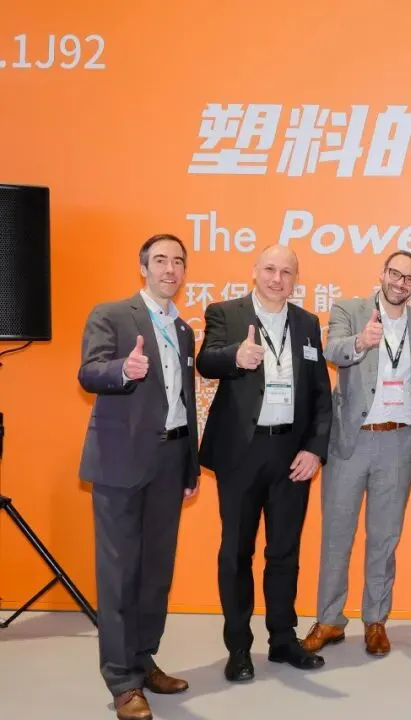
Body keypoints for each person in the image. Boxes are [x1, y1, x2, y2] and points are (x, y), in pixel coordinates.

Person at [196, 244, 332, 681]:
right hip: (241, 452)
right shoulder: (226, 313)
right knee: (237, 552)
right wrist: (234, 357)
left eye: (286, 272)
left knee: (285, 552)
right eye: (270, 269)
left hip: (292, 454)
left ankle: (283, 639)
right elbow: (206, 361)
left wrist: (314, 448)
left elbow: (320, 394)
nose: (277, 279)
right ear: (255, 271)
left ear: (296, 279)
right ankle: (238, 647)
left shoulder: (307, 323)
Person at [77, 233, 199, 720]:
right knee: (119, 575)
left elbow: (185, 401)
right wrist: (123, 370)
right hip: (121, 463)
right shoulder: (111, 314)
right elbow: (89, 372)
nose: (170, 269)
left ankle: (144, 660)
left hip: (170, 461)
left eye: (178, 262)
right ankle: (122, 681)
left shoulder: (184, 329)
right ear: (143, 267)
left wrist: (190, 462)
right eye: (161, 260)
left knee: (156, 573)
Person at [302, 250, 411, 657]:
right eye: (395, 274)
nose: (400, 283)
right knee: (337, 536)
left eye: (409, 279)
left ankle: (376, 620)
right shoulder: (350, 309)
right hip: (350, 440)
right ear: (382, 273)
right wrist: (361, 341)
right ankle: (329, 619)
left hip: (398, 442)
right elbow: (332, 350)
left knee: (384, 537)